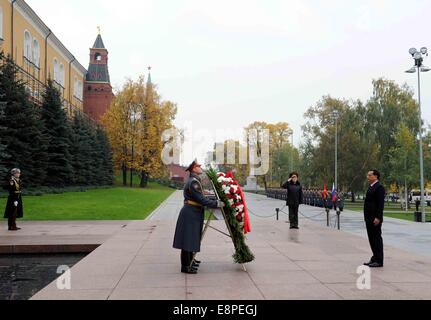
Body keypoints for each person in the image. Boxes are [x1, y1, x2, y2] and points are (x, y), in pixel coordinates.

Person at [173, 160, 224, 274]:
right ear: (193, 169)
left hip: (193, 212)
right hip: (190, 213)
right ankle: (185, 266)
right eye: (198, 166)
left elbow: (201, 197)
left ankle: (190, 260)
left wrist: (214, 200)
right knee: (187, 240)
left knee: (191, 238)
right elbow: (201, 199)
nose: (200, 167)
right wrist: (216, 204)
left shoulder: (195, 181)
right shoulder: (193, 183)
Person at [363, 170, 385, 268]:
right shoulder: (371, 186)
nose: (368, 177)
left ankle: (379, 260)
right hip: (369, 217)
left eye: (370, 175)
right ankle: (375, 257)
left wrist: (378, 217)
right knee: (371, 239)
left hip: (375, 218)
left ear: (376, 176)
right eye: (368, 175)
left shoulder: (379, 187)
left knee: (376, 239)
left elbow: (380, 204)